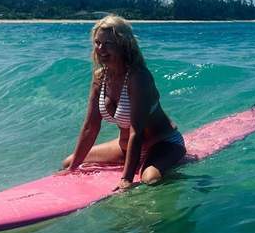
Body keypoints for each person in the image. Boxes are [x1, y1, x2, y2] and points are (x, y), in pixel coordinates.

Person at [61, 15, 186, 190]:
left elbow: (137, 131)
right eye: (97, 43)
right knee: (68, 162)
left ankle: (175, 168)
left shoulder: (138, 77)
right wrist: (74, 168)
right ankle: (136, 164)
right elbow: (91, 126)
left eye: (108, 44)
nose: (101, 49)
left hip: (162, 143)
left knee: (149, 178)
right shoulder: (100, 77)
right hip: (126, 148)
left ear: (123, 45)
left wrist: (126, 179)